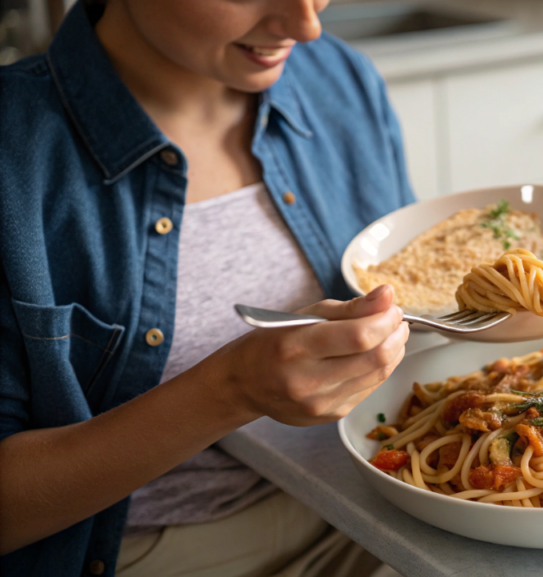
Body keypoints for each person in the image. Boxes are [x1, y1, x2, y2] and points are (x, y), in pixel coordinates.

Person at [0, 0, 415, 575]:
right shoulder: (13, 154)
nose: (307, 25)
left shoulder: (339, 78)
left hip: (371, 512)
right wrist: (231, 389)